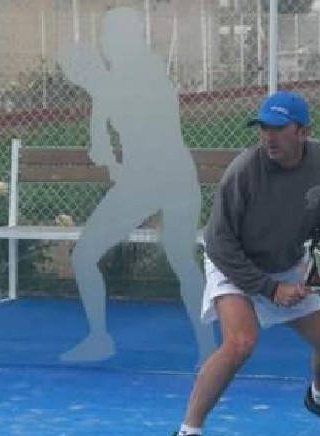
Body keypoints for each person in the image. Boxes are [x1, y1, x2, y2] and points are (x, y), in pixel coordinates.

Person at [166, 90, 320, 436]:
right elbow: (219, 242)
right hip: (232, 262)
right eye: (263, 128)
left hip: (286, 262)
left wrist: (317, 268)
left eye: (278, 129)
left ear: (303, 132)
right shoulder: (244, 171)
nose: (268, 137)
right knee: (240, 342)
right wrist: (270, 289)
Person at [58, 7, 214, 364]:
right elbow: (102, 146)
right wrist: (109, 156)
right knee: (173, 259)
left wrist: (97, 90)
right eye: (106, 36)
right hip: (160, 179)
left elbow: (139, 128)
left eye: (114, 34)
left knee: (176, 258)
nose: (107, 42)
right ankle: (102, 340)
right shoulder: (112, 85)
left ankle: (209, 350)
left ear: (131, 37)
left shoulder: (145, 73)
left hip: (162, 179)